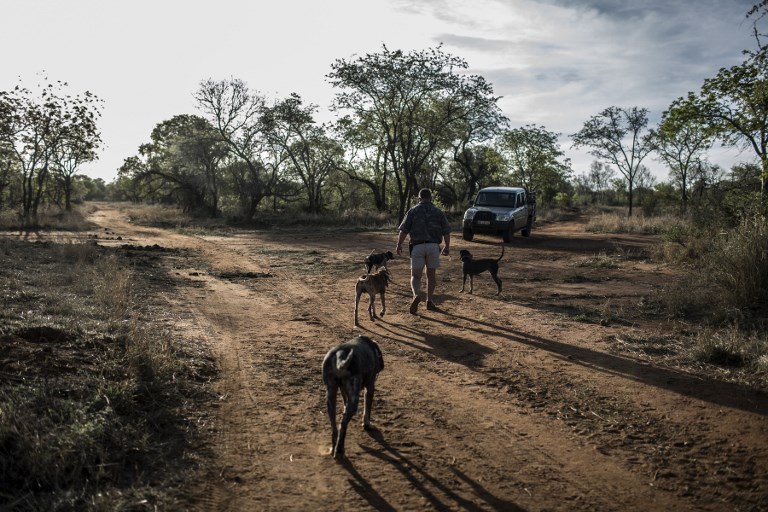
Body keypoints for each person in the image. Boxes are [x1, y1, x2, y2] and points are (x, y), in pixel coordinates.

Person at [395, 188, 451, 313]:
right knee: (431, 276)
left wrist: (399, 244)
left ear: (419, 198)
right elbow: (446, 231)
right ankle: (429, 301)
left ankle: (416, 295)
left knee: (415, 276)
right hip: (433, 247)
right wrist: (447, 246)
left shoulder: (413, 211)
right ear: (431, 198)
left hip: (417, 246)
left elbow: (403, 230)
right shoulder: (438, 212)